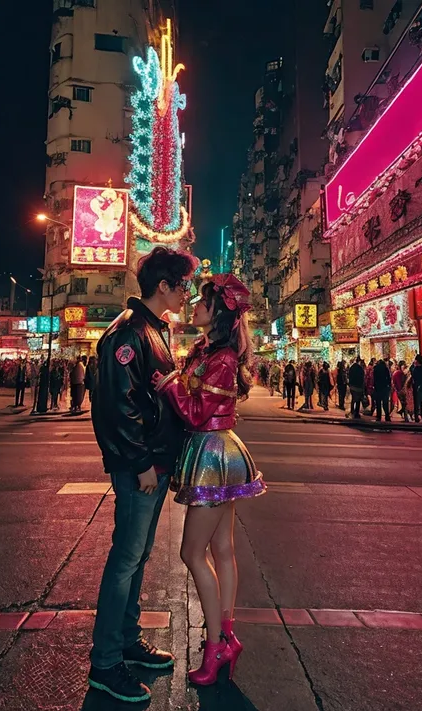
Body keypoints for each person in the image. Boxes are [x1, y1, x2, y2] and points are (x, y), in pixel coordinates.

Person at [89, 246, 197, 703]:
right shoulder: (128, 334)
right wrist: (141, 465)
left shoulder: (154, 329)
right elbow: (117, 408)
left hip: (153, 463)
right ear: (164, 286)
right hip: (141, 468)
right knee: (125, 560)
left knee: (137, 557)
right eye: (183, 284)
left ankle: (127, 641)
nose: (187, 292)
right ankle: (106, 663)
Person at [153, 274, 265, 687]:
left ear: (218, 312)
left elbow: (198, 412)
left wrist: (168, 386)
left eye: (202, 302)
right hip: (217, 449)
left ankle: (216, 643)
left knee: (191, 553)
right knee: (222, 548)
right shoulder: (208, 350)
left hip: (212, 450)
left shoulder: (222, 358)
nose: (195, 306)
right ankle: (226, 636)